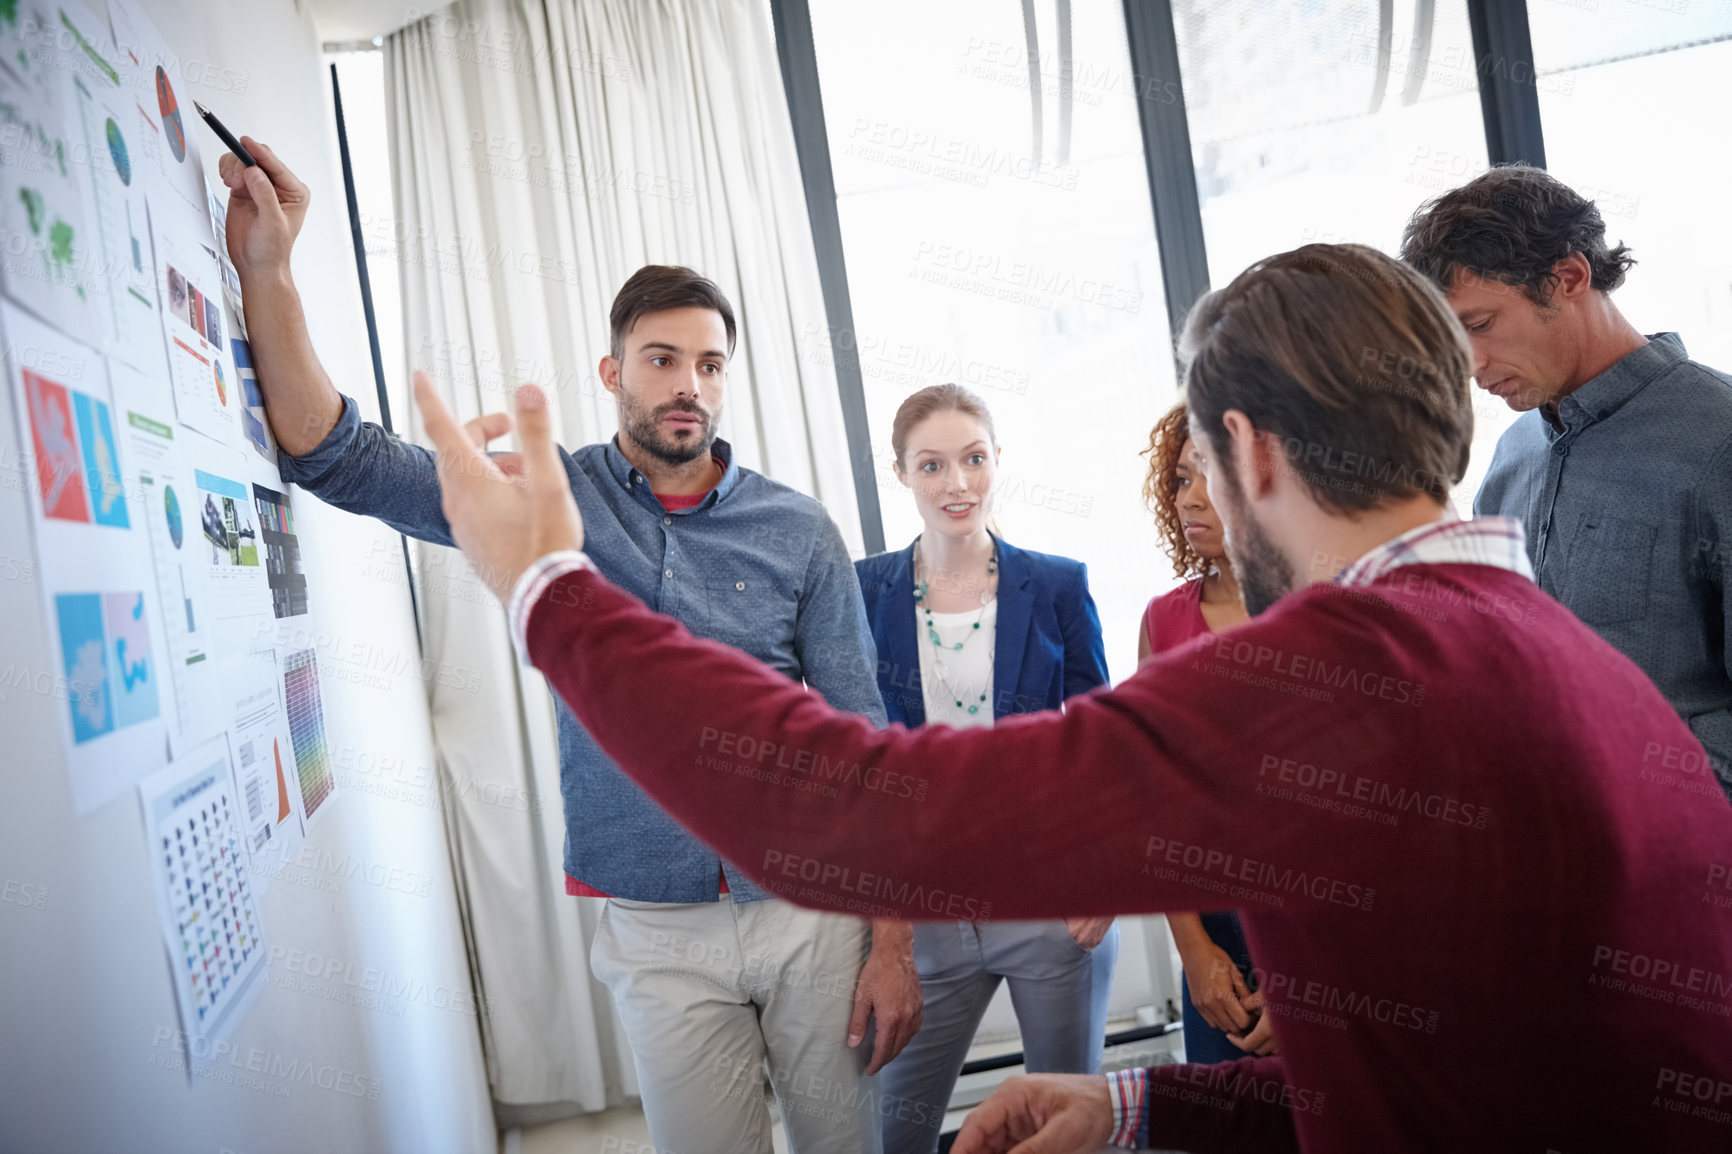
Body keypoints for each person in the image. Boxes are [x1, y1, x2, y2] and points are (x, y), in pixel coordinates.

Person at [412, 242, 1732, 1152]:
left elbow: (858, 818)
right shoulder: (1581, 660)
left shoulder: (1338, 675)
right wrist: (1142, 1107)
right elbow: (1455, 1084)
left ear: (1247, 452)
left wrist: (549, 589)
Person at [217, 139, 919, 1152]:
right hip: (655, 925)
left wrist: (893, 943)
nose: (689, 384)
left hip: (810, 905)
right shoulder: (548, 495)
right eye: (662, 359)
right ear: (613, 370)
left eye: (710, 363)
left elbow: (866, 740)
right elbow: (337, 457)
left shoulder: (798, 527)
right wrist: (270, 270)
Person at [1401, 165, 1732, 804]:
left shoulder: (1719, 442)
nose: (1467, 367)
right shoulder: (1510, 457)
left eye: (1480, 324)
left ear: (1570, 277)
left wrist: (1634, 796)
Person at [855, 384, 1117, 1152]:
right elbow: (854, 765)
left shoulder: (1058, 583)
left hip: (1046, 897)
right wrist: (885, 937)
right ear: (900, 473)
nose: (957, 484)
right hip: (924, 909)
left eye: (973, 459)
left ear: (998, 460)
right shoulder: (861, 589)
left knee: (1061, 1121)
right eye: (931, 465)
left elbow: (1102, 742)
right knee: (893, 1127)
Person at [1137, 401, 1267, 1064]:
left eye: (1208, 479)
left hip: (1325, 924)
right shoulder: (1163, 621)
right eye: (1181, 480)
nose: (1190, 499)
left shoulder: (1323, 604)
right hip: (1211, 931)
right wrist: (1193, 951)